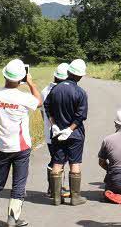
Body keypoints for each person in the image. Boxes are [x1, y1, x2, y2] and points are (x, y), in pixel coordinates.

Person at [0, 59, 43, 227]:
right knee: (18, 182)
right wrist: (31, 83)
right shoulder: (24, 98)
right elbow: (39, 102)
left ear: (4, 75)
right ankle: (12, 219)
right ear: (21, 78)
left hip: (2, 144)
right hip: (21, 146)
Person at [44, 59, 89, 206]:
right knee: (75, 163)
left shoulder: (55, 89)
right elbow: (81, 116)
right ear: (81, 76)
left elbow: (47, 106)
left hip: (57, 134)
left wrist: (54, 125)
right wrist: (70, 130)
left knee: (57, 162)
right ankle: (75, 198)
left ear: (68, 72)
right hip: (75, 134)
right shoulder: (81, 92)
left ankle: (57, 198)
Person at [40, 63, 69, 197]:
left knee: (56, 159)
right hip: (61, 131)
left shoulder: (45, 90)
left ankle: (53, 188)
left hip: (49, 130)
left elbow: (42, 113)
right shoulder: (63, 91)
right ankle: (54, 189)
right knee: (58, 160)